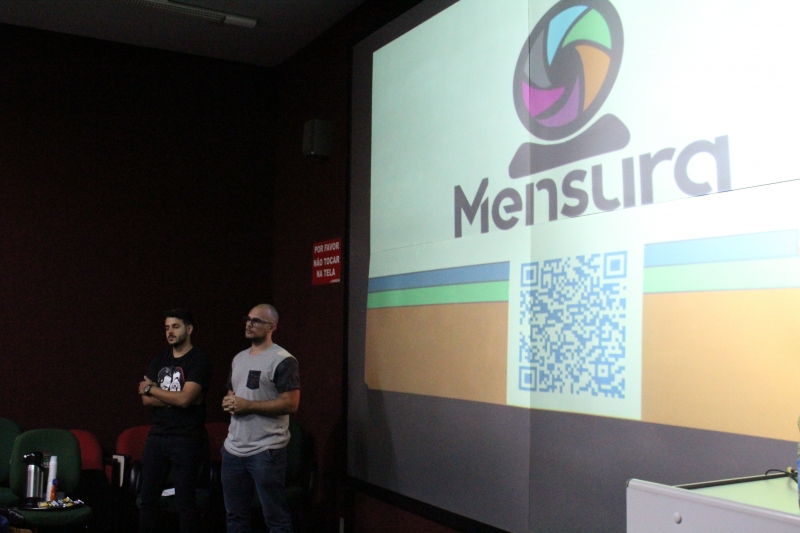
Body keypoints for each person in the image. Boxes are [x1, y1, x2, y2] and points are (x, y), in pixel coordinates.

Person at [221, 304, 300, 533]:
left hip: (266, 450)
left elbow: (291, 404)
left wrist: (249, 406)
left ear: (271, 327)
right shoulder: (239, 358)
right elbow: (233, 392)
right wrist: (229, 402)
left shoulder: (283, 360)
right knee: (235, 517)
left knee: (276, 519)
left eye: (256, 321)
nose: (249, 324)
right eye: (248, 319)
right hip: (234, 449)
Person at [137, 309, 212, 533]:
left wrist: (152, 389)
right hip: (157, 437)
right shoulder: (159, 360)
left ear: (189, 329)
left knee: (185, 502)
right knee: (147, 500)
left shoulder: (199, 360)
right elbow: (146, 400)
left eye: (175, 327)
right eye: (167, 327)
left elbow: (184, 399)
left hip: (186, 438)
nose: (170, 332)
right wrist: (178, 398)